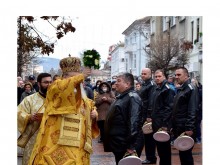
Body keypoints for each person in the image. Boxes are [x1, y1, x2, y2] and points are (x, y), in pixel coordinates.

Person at [28, 56, 99, 165]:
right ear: (64, 76)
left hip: (78, 143)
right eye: (73, 78)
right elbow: (61, 89)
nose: (78, 80)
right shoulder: (56, 86)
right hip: (57, 142)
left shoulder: (83, 97)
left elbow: (90, 107)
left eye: (78, 78)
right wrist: (81, 76)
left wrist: (94, 114)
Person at [104, 72, 144, 165]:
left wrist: (131, 145)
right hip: (119, 143)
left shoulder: (132, 98)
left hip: (126, 144)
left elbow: (134, 122)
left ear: (127, 84)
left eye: (119, 81)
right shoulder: (122, 96)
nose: (115, 83)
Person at [17, 73, 52, 165]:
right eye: (46, 82)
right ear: (39, 84)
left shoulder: (57, 100)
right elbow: (18, 113)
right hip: (33, 140)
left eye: (50, 82)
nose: (49, 85)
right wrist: (29, 117)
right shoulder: (29, 100)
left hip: (51, 140)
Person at [172, 67, 198, 165]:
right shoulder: (181, 88)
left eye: (179, 75)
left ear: (186, 76)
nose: (176, 77)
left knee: (186, 155)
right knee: (182, 154)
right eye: (175, 75)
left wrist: (189, 127)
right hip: (179, 126)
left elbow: (192, 109)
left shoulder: (191, 88)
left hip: (186, 127)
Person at [151, 69, 175, 165]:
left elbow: (168, 108)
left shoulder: (167, 89)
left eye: (159, 76)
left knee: (164, 150)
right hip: (156, 123)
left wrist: (165, 125)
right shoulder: (158, 88)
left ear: (164, 77)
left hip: (163, 124)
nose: (157, 78)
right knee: (160, 149)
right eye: (156, 76)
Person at [138, 68, 157, 164]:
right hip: (142, 113)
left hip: (147, 115)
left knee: (149, 137)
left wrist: (149, 115)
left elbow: (151, 101)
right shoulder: (144, 84)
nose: (143, 75)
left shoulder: (152, 85)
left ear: (150, 74)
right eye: (142, 73)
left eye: (145, 73)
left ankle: (151, 158)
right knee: (146, 137)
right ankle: (149, 157)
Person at [191, 78, 202, 144]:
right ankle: (194, 137)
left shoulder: (200, 91)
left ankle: (198, 138)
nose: (192, 83)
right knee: (193, 125)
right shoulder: (191, 90)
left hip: (198, 111)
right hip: (194, 110)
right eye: (192, 82)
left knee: (197, 125)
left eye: (194, 82)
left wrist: (199, 107)